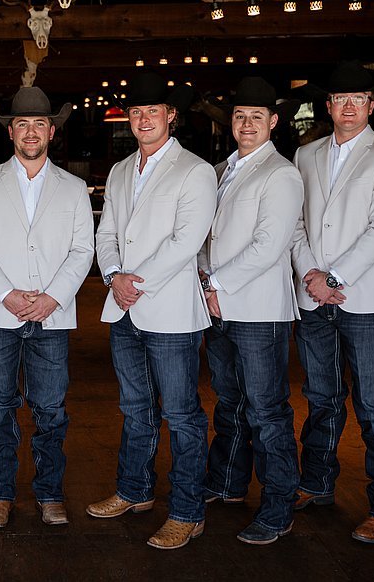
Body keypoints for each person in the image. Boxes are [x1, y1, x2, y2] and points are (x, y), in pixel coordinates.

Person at [88, 73, 218, 550]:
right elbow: (107, 232)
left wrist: (133, 284)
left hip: (168, 312)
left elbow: (188, 241)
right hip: (122, 309)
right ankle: (135, 491)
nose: (143, 120)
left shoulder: (195, 170)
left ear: (171, 117)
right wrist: (112, 277)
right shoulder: (122, 169)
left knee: (182, 414)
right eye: (136, 113)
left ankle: (187, 512)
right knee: (134, 407)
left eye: (153, 112)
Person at [290, 61, 374, 544]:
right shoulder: (306, 155)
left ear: (370, 106)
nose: (347, 106)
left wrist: (335, 276)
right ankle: (316, 482)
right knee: (321, 398)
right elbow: (295, 224)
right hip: (315, 299)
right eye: (340, 99)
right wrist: (311, 276)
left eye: (357, 99)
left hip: (367, 299)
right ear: (328, 106)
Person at [0, 87, 94, 529]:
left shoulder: (74, 188)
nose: (31, 131)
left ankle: (50, 493)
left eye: (40, 123)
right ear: (11, 132)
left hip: (53, 315)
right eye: (23, 124)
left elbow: (82, 250)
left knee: (51, 409)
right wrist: (8, 295)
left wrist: (53, 297)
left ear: (52, 131)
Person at [200, 76, 303, 546]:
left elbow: (269, 246)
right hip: (220, 307)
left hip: (259, 311)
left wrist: (216, 283)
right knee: (229, 402)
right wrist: (207, 284)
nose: (246, 124)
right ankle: (227, 482)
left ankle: (278, 506)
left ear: (274, 122)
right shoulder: (224, 169)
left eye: (256, 117)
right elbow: (209, 238)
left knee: (267, 409)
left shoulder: (280, 173)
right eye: (240, 116)